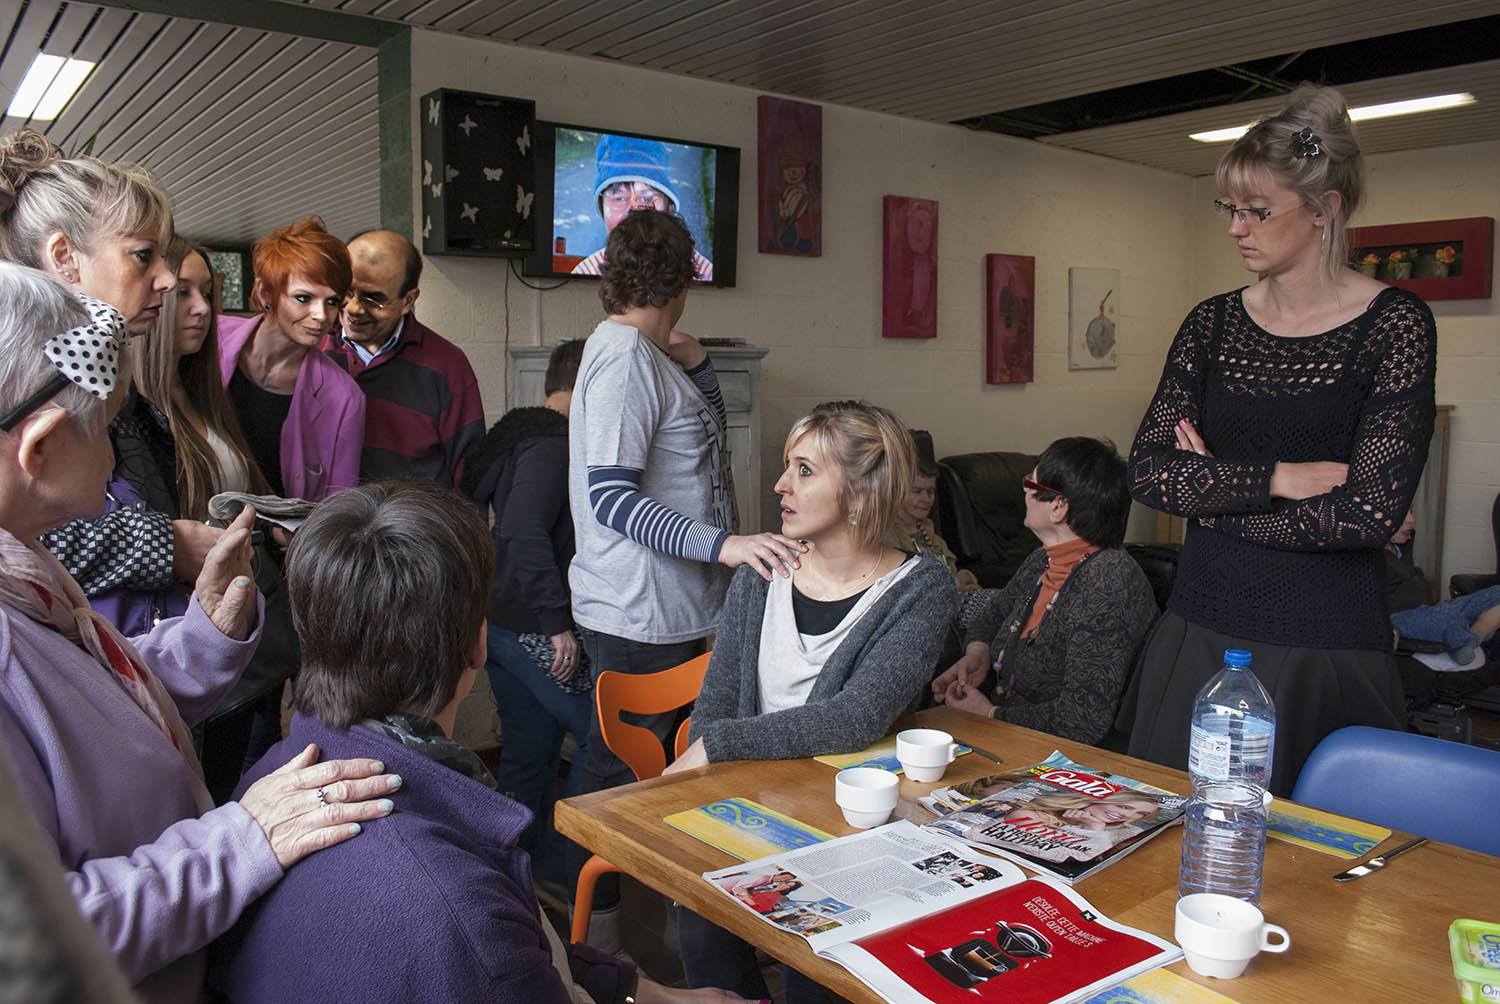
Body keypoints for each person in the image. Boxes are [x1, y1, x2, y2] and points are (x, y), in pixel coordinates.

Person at [0, 262, 397, 1004]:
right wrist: (242, 840)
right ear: (42, 447)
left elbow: (87, 720)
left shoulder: (29, 574)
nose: (119, 461)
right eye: (106, 430)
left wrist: (203, 639)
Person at [209, 480, 748, 1004]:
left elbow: (525, 950)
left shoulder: (269, 783)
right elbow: (493, 950)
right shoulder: (454, 908)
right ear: (477, 644)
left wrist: (639, 990)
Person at [1114, 85, 1437, 796]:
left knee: (1313, 875)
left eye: (1258, 211)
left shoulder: (1395, 326)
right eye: (1230, 207)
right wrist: (1279, 477)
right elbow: (1148, 472)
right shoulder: (1211, 324)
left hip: (1325, 645)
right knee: (1166, 856)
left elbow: (1365, 518)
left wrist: (1211, 501)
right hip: (1200, 627)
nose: (1236, 227)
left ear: (1325, 212)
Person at [663, 400, 955, 1004]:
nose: (780, 485)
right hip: (748, 802)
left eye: (803, 470)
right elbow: (715, 706)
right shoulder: (760, 572)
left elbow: (856, 717)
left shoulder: (920, 587)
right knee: (698, 917)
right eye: (786, 468)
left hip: (845, 819)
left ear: (858, 493)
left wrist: (718, 745)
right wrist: (716, 754)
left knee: (814, 964)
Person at [567, 208, 804, 946]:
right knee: (622, 779)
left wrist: (697, 365)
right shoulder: (620, 360)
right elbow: (610, 497)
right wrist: (725, 545)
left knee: (678, 772)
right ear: (683, 280)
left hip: (679, 607)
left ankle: (679, 922)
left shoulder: (652, 355)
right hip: (640, 611)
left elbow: (700, 445)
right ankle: (597, 936)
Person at [461, 338, 590, 894]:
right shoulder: (552, 443)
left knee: (527, 750)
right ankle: (566, 872)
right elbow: (523, 532)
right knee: (601, 738)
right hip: (534, 625)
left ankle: (523, 874)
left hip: (501, 619)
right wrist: (558, 622)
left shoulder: (519, 434)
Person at [932, 437, 1159, 746]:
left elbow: (1083, 720)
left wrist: (989, 715)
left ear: (1058, 506)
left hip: (1071, 761)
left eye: (1032, 484)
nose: (1024, 490)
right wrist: (978, 654)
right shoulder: (1043, 559)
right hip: (1016, 739)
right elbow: (994, 613)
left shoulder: (1109, 580)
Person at [217, 216, 365, 502]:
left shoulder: (345, 398)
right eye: (303, 298)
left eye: (332, 301)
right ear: (265, 293)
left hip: (278, 542)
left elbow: (339, 504)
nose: (321, 315)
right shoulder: (210, 341)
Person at [323, 229, 484, 490]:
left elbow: (469, 473)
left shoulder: (447, 365)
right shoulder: (312, 354)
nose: (354, 308)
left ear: (408, 300)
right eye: (347, 292)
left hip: (415, 527)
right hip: (331, 525)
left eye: (374, 298)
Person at [569, 135, 713, 281]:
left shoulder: (704, 273)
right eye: (619, 198)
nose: (633, 210)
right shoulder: (584, 272)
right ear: (603, 210)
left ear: (669, 208)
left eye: (647, 198)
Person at [1386, 509, 1500, 666]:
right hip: (1398, 619)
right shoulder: (1370, 556)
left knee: (1495, 594)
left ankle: (1470, 638)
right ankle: (1469, 638)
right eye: (1403, 516)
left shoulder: (1401, 546)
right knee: (1446, 615)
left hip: (1426, 610)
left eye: (1412, 513)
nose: (1412, 521)